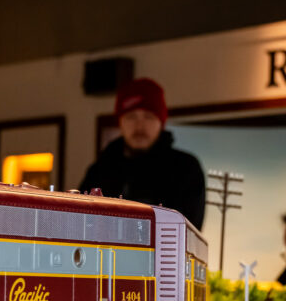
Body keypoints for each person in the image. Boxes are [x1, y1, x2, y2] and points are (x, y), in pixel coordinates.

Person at [79, 78, 206, 228]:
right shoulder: (100, 169)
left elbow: (187, 230)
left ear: (161, 123)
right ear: (120, 122)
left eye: (148, 117)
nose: (139, 125)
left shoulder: (185, 169)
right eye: (131, 116)